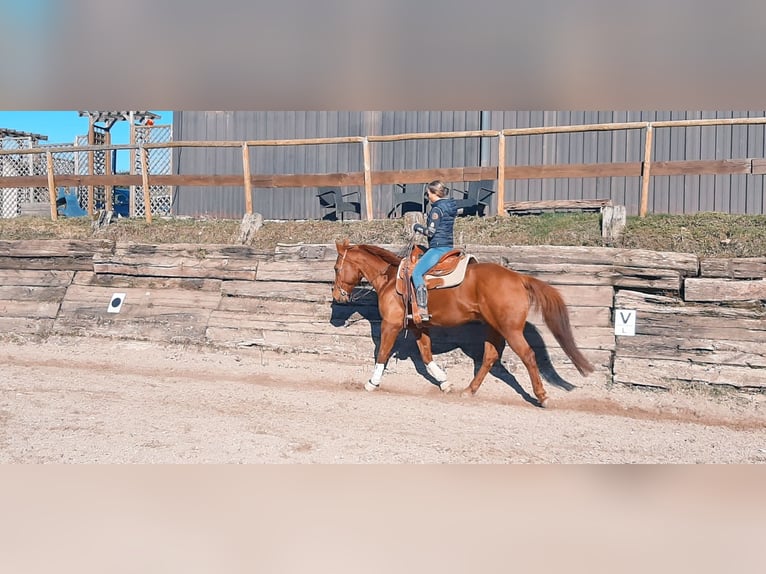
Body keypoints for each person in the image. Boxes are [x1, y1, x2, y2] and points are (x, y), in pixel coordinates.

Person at [411, 180, 458, 320]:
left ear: (434, 193)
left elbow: (430, 232)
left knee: (417, 273)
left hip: (438, 248)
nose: (428, 197)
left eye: (428, 194)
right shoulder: (449, 207)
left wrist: (417, 227)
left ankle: (422, 308)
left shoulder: (436, 210)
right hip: (449, 246)